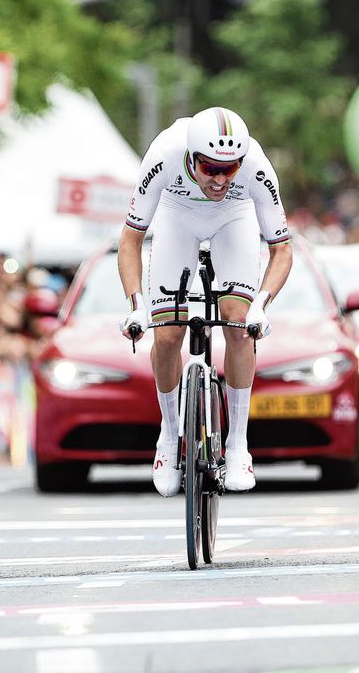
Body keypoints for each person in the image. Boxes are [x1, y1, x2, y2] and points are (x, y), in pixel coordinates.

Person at [117, 106, 292, 495]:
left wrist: (261, 305)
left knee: (238, 326)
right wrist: (136, 307)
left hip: (235, 219)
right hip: (177, 217)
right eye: (209, 167)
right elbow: (130, 240)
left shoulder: (256, 169)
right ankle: (168, 436)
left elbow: (281, 250)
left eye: (229, 169)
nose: (219, 178)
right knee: (166, 336)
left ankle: (237, 446)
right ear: (191, 158)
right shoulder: (163, 153)